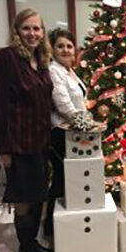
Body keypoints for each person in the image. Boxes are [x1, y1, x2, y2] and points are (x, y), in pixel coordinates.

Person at [0, 8, 53, 252]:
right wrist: (4, 149)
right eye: (26, 28)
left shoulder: (41, 58)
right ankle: (26, 250)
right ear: (17, 30)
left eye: (37, 28)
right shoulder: (7, 59)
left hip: (40, 141)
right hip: (19, 143)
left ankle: (33, 242)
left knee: (39, 194)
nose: (32, 33)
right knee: (25, 198)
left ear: (43, 32)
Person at [44, 28, 87, 236]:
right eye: (60, 46)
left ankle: (66, 228)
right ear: (52, 48)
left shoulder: (70, 70)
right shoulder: (54, 70)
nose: (66, 50)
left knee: (69, 179)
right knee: (61, 180)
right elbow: (63, 105)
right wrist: (87, 124)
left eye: (69, 46)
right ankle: (52, 229)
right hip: (61, 133)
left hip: (75, 132)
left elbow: (80, 103)